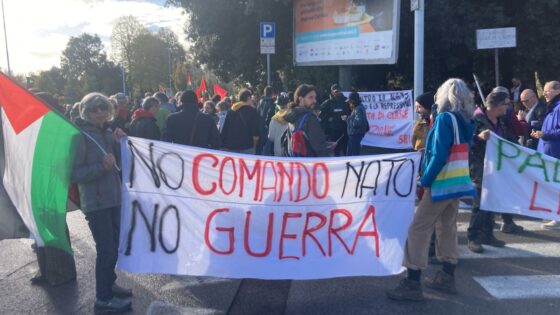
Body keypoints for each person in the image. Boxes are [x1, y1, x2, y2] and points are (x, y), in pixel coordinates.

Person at [386, 78, 476, 301]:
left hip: (440, 182)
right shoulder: (466, 119)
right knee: (447, 227)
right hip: (457, 182)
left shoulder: (445, 119)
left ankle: (413, 281)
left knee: (418, 228)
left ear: (445, 95)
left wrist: (424, 181)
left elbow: (438, 156)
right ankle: (447, 275)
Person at [71, 93, 132, 313]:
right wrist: (100, 168)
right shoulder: (80, 136)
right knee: (107, 250)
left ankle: (109, 284)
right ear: (85, 111)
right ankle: (103, 299)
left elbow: (119, 163)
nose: (99, 112)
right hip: (96, 204)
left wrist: (120, 143)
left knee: (114, 247)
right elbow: (74, 173)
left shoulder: (107, 131)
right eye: (94, 108)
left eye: (103, 107)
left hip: (114, 199)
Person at [467, 91, 510, 253]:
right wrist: (478, 137)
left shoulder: (500, 121)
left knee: (491, 200)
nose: (507, 107)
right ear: (496, 105)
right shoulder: (476, 119)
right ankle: (473, 236)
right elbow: (466, 141)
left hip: (495, 167)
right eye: (505, 103)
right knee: (479, 203)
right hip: (479, 167)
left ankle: (487, 234)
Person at [531, 81, 560, 230]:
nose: (544, 94)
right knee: (551, 186)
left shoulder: (559, 108)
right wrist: (539, 133)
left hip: (556, 155)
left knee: (556, 187)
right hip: (549, 154)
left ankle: (557, 218)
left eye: (547, 90)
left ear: (558, 90)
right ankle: (553, 215)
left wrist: (545, 134)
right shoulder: (553, 107)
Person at [284, 84, 332, 157]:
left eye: (315, 97)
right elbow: (319, 148)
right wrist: (329, 149)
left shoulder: (292, 117)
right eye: (311, 97)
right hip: (311, 165)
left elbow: (285, 144)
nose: (315, 101)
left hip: (296, 164)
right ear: (300, 99)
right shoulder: (310, 119)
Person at [220, 89, 263, 154]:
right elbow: (255, 132)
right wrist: (254, 147)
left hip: (231, 147)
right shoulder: (252, 111)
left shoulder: (231, 111)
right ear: (248, 98)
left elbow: (225, 129)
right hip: (246, 147)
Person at [319, 84, 351, 156]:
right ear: (332, 92)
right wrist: (327, 119)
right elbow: (320, 113)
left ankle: (347, 165)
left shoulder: (346, 101)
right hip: (334, 130)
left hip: (345, 129)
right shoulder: (328, 102)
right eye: (335, 92)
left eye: (338, 91)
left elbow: (352, 111)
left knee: (346, 149)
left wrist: (348, 117)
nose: (337, 93)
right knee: (336, 150)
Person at [345, 91, 369, 156]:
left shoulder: (358, 109)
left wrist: (347, 118)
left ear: (352, 100)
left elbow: (358, 122)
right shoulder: (359, 107)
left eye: (349, 101)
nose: (349, 103)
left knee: (352, 155)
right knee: (350, 154)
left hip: (355, 134)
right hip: (355, 134)